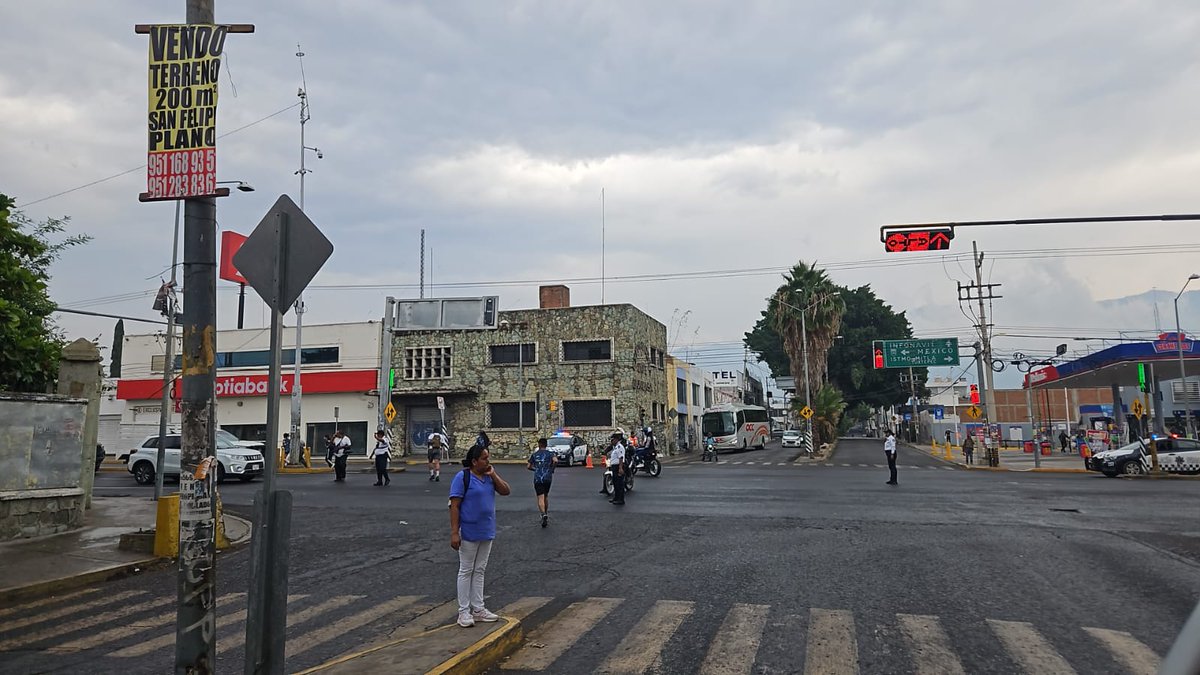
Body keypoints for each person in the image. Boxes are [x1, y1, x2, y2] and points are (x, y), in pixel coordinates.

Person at [449, 443, 511, 628]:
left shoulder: (488, 477)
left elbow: (506, 490)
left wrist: (493, 474)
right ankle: (463, 611)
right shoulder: (463, 477)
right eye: (484, 458)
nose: (487, 461)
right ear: (474, 461)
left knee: (480, 569)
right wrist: (454, 532)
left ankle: (479, 609)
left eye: (488, 457)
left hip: (486, 529)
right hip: (468, 531)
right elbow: (454, 506)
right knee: (466, 570)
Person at [526, 438, 556, 527]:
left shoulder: (534, 455)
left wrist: (535, 469)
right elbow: (555, 460)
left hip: (538, 478)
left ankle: (543, 514)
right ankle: (546, 512)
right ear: (546, 445)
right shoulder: (551, 454)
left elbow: (528, 466)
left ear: (539, 444)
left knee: (540, 497)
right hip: (548, 477)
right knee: (546, 496)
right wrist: (552, 469)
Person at [607, 430, 627, 505]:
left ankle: (620, 499)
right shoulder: (615, 447)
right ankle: (616, 497)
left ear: (616, 440)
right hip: (614, 466)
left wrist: (620, 468)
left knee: (619, 484)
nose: (611, 441)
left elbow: (621, 457)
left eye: (612, 440)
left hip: (618, 466)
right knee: (615, 483)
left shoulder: (619, 447)